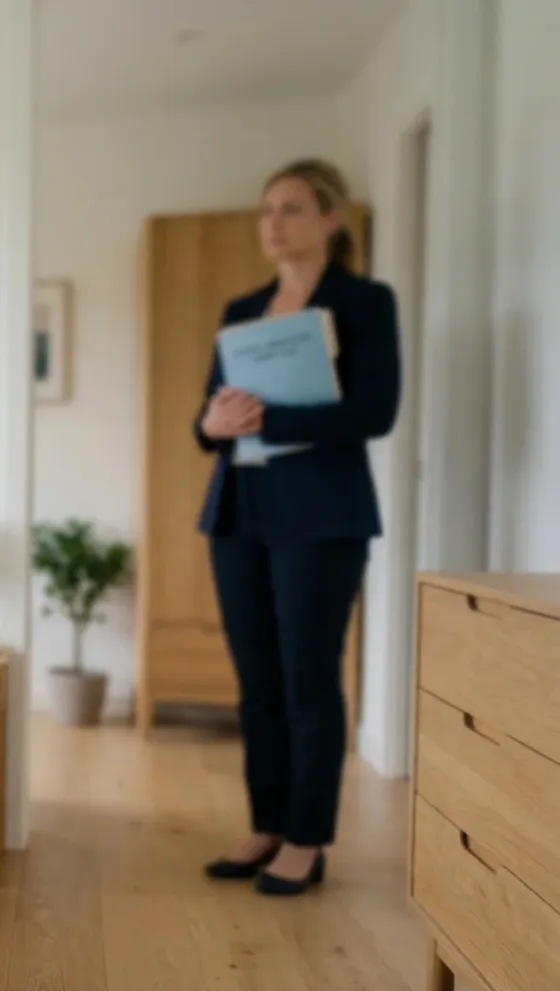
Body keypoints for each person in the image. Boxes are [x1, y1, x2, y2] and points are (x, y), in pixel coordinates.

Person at [196, 158, 401, 896]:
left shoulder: (365, 302)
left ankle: (307, 838)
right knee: (257, 682)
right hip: (239, 511)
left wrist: (266, 416)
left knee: (308, 677)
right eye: (267, 210)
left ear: (331, 219)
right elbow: (209, 420)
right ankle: (268, 823)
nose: (274, 222)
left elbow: (374, 413)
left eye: (291, 208)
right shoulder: (242, 310)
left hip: (322, 513)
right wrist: (214, 422)